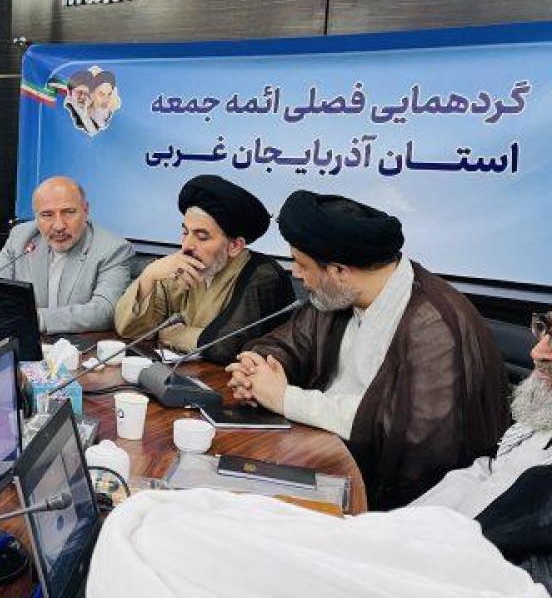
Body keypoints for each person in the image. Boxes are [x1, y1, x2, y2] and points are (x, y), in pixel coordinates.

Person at [228, 190, 510, 509]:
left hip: (395, 500)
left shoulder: (434, 326)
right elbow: (291, 341)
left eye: (301, 263)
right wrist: (258, 367)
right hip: (320, 452)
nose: (295, 273)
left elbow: (409, 437)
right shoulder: (337, 296)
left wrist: (285, 399)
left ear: (339, 271)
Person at [412, 314, 552, 589]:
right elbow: (491, 472)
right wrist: (399, 530)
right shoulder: (540, 418)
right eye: (544, 331)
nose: (537, 352)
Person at [114, 175, 295, 365]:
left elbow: (227, 346)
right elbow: (130, 330)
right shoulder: (183, 266)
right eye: (185, 232)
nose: (187, 245)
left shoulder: (263, 276)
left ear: (235, 246)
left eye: (202, 237)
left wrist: (175, 335)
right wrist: (149, 276)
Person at [0, 176, 133, 333]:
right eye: (47, 215)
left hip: (79, 344)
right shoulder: (21, 237)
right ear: (36, 216)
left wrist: (35, 319)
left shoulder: (113, 249)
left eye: (68, 212)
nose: (58, 226)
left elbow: (105, 311)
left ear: (85, 210)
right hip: (24, 339)